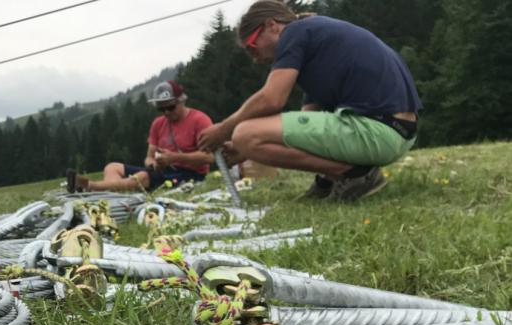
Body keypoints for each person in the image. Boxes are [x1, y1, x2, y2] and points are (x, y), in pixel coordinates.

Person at [198, 1, 421, 202]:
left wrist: (225, 130)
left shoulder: (295, 32)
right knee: (247, 138)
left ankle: (354, 175)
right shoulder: (316, 42)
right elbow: (309, 126)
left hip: (377, 130)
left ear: (271, 25)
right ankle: (328, 181)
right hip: (398, 131)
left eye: (252, 47)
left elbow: (272, 99)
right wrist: (245, 150)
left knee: (245, 133)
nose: (255, 60)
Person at [66, 80, 214, 192]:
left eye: (170, 107)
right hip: (162, 171)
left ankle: (90, 186)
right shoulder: (158, 123)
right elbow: (148, 157)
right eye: (161, 109)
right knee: (112, 167)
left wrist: (175, 158)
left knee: (142, 177)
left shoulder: (200, 120)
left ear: (182, 101)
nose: (167, 113)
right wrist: (152, 164)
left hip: (190, 174)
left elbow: (210, 157)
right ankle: (114, 190)